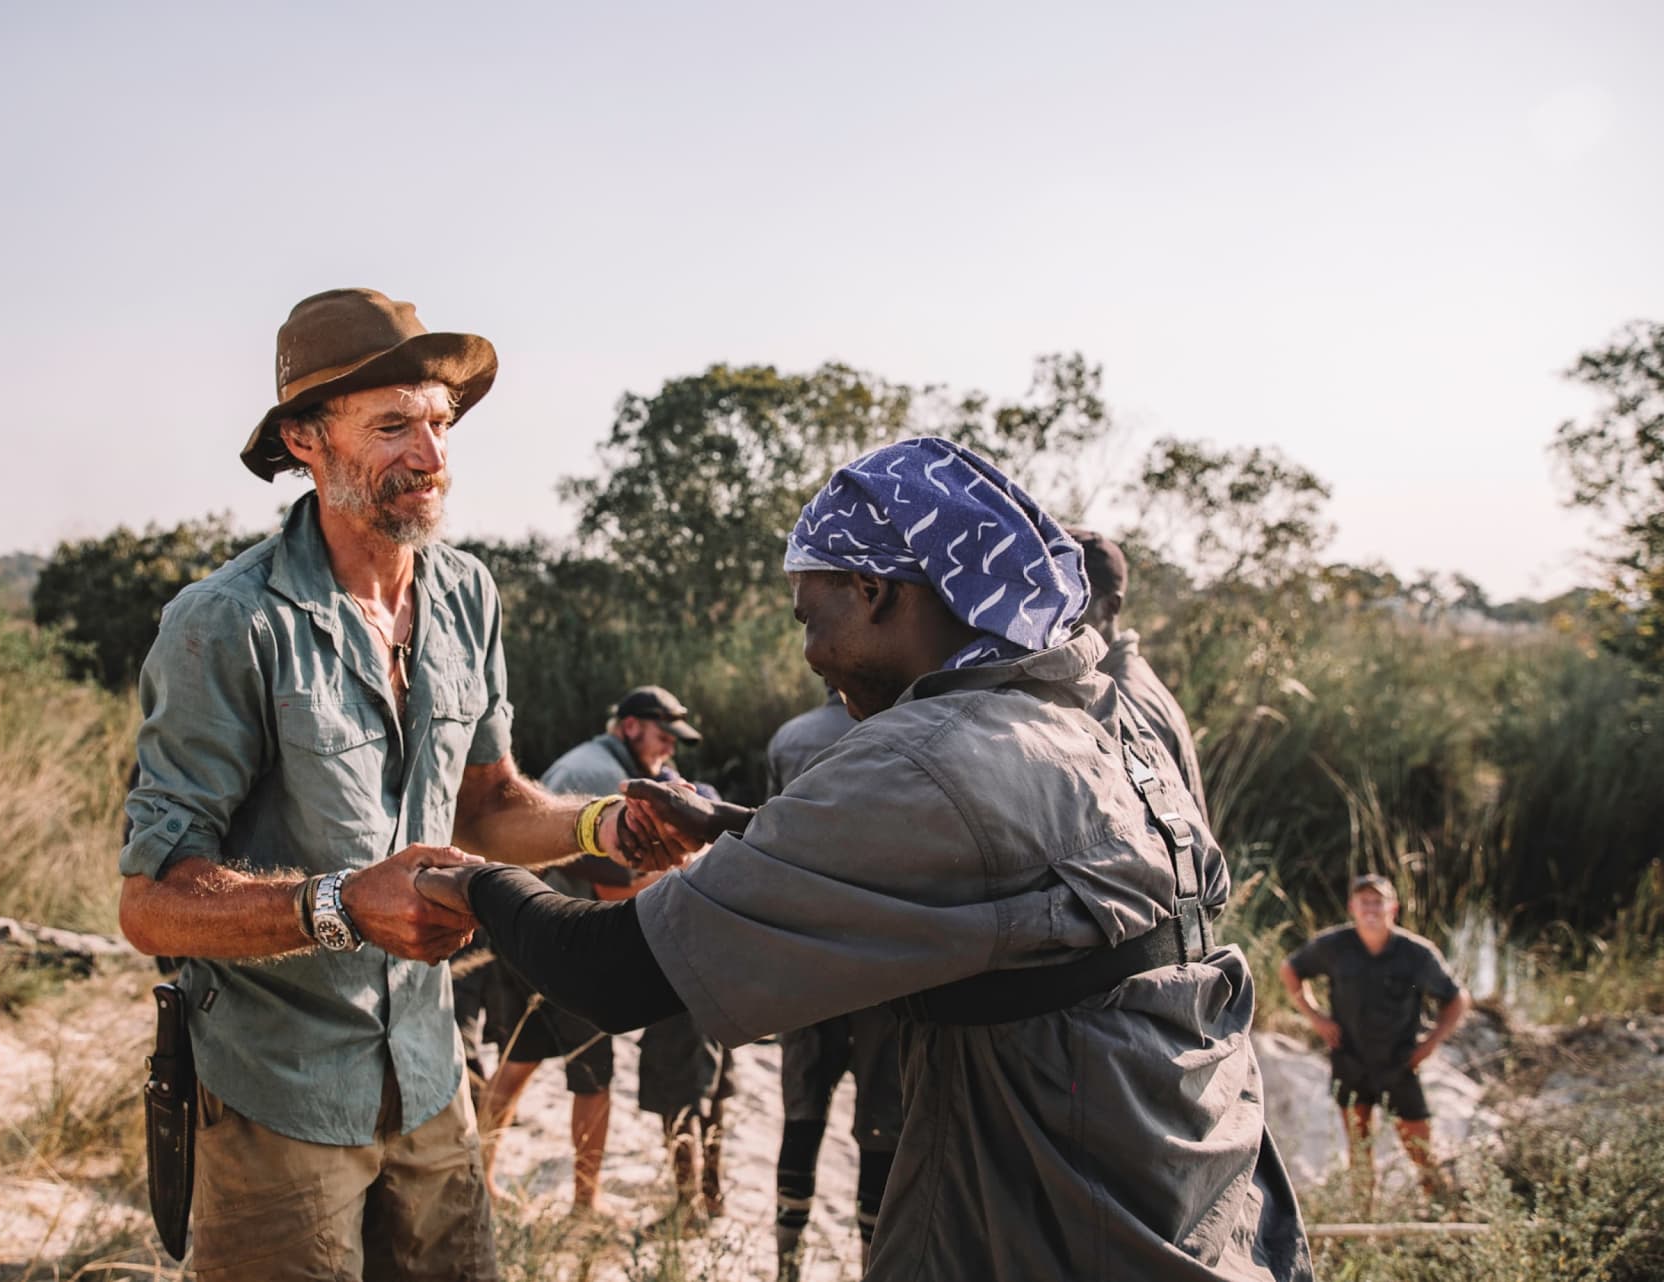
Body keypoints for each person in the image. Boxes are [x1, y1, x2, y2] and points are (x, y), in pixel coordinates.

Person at [417, 437, 1313, 1280]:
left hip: (1045, 1228)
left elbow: (611, 975)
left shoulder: (922, 753)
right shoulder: (1095, 718)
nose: (812, 656)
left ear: (877, 590)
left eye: (812, 614)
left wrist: (468, 878)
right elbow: (996, 872)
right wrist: (744, 828)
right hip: (1206, 1211)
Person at [116, 287, 672, 1281]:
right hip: (276, 1094)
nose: (431, 455)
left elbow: (490, 807)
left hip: (429, 1076)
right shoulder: (224, 624)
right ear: (305, 440)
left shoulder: (466, 594)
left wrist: (608, 822)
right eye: (391, 425)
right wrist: (339, 906)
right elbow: (153, 902)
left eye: (439, 422)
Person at [475, 686, 703, 1215]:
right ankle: (584, 1206)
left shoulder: (591, 760)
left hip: (517, 927)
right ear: (629, 727)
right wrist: (687, 879)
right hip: (561, 943)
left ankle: (478, 1180)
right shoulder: (602, 776)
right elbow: (612, 888)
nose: (668, 751)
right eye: (662, 738)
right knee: (594, 1075)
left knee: (518, 1062)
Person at [764, 689, 901, 1280]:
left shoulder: (788, 738)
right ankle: (871, 1263)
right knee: (879, 1124)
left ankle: (786, 1266)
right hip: (880, 968)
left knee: (803, 1112)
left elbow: (767, 840)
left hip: (803, 963)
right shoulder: (900, 736)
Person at [1280, 873, 1471, 1214]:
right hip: (1351, 1062)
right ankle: (1365, 1221)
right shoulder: (1334, 946)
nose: (1371, 908)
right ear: (1352, 906)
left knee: (1420, 1150)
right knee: (1360, 1147)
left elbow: (1456, 999)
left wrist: (1429, 1045)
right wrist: (1316, 1017)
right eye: (1364, 901)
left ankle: (1444, 1214)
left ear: (1393, 908)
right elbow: (1290, 970)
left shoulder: (1416, 953)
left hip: (1399, 1064)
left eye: (1378, 901)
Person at [1071, 528, 1208, 816]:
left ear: (1110, 607)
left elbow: (1142, 832)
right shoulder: (1105, 680)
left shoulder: (1122, 699)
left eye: (1073, 598)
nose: (1053, 613)